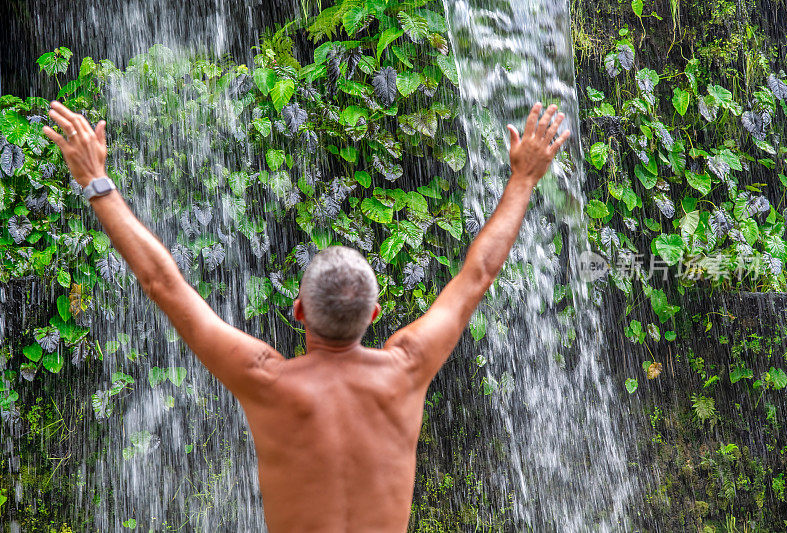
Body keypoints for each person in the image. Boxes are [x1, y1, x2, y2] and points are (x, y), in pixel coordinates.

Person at [43, 100, 570, 532]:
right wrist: (523, 177)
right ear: (376, 315)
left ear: (298, 312)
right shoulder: (408, 367)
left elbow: (163, 284)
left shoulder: (265, 380)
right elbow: (477, 274)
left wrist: (96, 181)